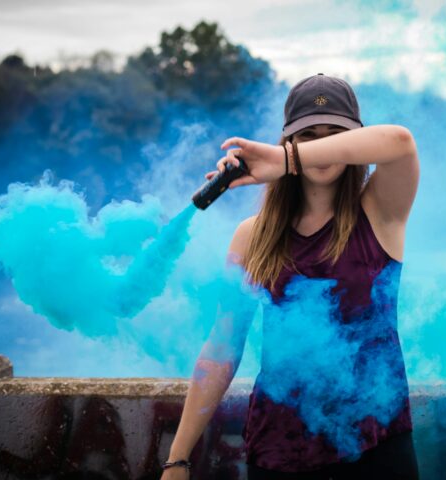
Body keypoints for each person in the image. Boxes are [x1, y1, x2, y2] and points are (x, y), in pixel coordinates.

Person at [161, 73, 420, 480]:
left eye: (332, 136)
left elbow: (400, 142)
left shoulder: (380, 212)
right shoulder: (252, 235)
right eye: (307, 136)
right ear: (287, 139)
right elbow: (222, 348)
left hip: (376, 447)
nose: (320, 147)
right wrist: (177, 458)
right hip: (279, 453)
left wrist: (288, 159)